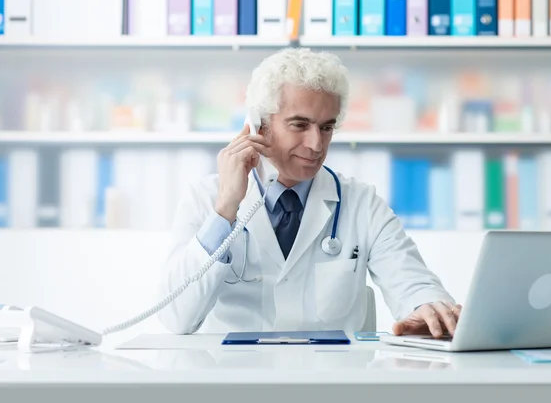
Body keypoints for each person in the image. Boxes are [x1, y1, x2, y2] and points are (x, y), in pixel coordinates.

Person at [158, 48, 461, 338]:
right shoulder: (205, 198)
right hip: (237, 383)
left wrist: (427, 307)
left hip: (330, 385)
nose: (316, 144)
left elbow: (412, 281)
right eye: (300, 125)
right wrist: (226, 208)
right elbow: (176, 317)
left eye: (326, 128)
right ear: (259, 125)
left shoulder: (361, 203)